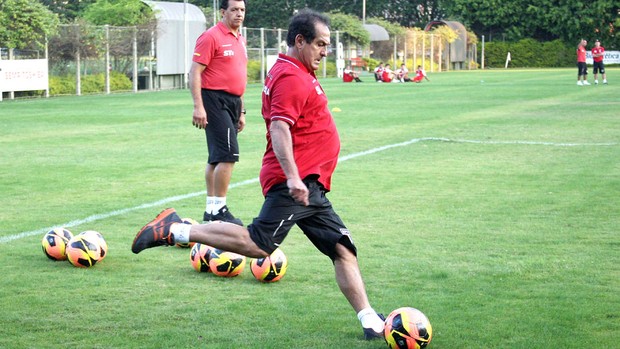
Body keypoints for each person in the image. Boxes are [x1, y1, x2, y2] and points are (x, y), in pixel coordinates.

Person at [132, 9, 386, 341]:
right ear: (300, 41)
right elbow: (280, 128)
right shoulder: (292, 76)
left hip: (312, 187)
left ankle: (370, 321)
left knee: (342, 249)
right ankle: (175, 229)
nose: (326, 51)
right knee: (257, 244)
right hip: (297, 182)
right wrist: (293, 178)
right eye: (321, 44)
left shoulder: (294, 71)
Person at [189, 0, 248, 226]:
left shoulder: (240, 39)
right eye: (234, 9)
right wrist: (198, 105)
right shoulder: (211, 36)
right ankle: (220, 209)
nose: (239, 14)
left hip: (233, 102)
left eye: (242, 10)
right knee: (228, 154)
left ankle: (211, 210)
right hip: (214, 99)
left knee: (216, 157)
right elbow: (195, 72)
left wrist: (241, 110)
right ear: (223, 12)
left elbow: (238, 76)